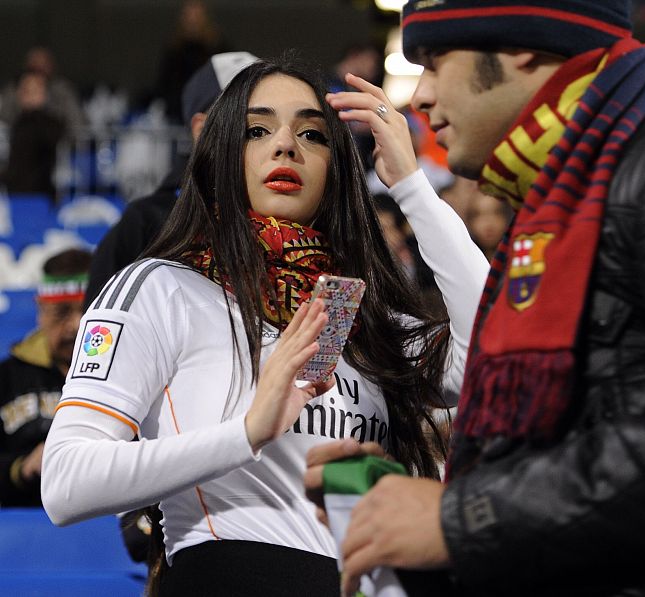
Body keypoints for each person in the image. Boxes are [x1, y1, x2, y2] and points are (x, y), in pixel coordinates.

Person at [305, 1, 645, 596]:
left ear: (521, 45)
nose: (423, 96)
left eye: (436, 61)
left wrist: (459, 518)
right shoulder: (553, 203)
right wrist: (409, 520)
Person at [41, 54, 487, 596]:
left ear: (336, 170)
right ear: (220, 156)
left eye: (312, 135)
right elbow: (66, 482)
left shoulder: (357, 311)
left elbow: (489, 353)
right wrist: (247, 432)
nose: (285, 146)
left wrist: (412, 187)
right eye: (257, 130)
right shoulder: (162, 288)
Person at [84, 51, 259, 306]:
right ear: (201, 129)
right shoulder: (144, 224)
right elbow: (99, 325)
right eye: (251, 123)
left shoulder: (295, 215)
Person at [0, 248, 90, 507]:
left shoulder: (130, 374)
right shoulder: (7, 378)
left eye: (88, 311)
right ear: (41, 311)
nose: (76, 325)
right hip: (27, 519)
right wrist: (22, 467)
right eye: (62, 312)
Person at [2, 69, 67, 200]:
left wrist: (36, 113)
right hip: (16, 194)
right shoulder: (17, 122)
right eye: (25, 90)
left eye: (34, 90)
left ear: (45, 93)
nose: (29, 95)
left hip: (40, 196)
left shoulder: (52, 123)